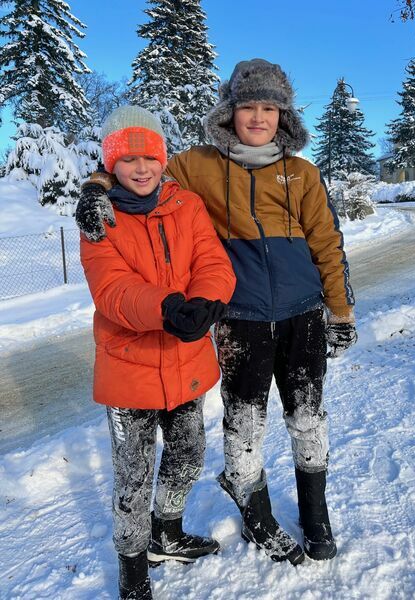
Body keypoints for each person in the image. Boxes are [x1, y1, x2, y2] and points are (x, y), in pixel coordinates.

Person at [76, 59, 357, 567]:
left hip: (303, 315)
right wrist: (94, 185)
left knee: (308, 417)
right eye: (248, 106)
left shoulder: (303, 171)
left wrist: (341, 311)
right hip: (240, 318)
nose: (258, 117)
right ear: (230, 112)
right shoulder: (197, 165)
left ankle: (316, 513)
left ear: (282, 116)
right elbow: (140, 167)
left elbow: (327, 243)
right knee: (244, 422)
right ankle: (255, 510)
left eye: (268, 108)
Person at [79, 105, 236, 600]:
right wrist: (167, 307)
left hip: (185, 362)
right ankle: (132, 572)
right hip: (131, 368)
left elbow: (212, 260)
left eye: (150, 155)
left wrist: (209, 297)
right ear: (111, 165)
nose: (142, 167)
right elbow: (112, 290)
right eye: (128, 159)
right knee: (133, 477)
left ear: (163, 157)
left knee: (189, 455)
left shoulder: (186, 205)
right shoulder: (98, 220)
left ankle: (165, 533)